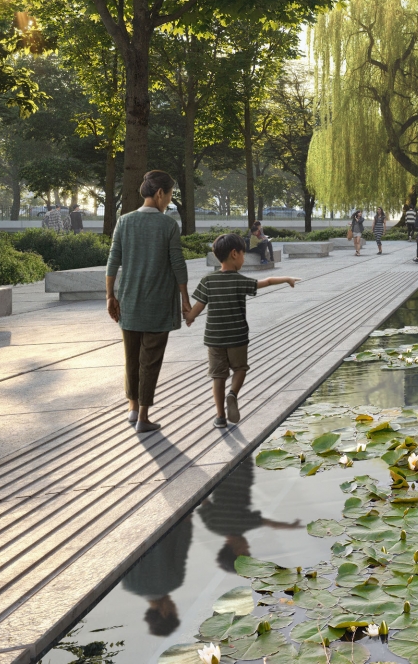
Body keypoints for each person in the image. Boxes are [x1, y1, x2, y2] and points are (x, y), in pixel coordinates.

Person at [107, 170, 191, 434]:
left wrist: (110, 295)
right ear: (159, 194)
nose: (169, 200)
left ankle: (132, 410)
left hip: (129, 303)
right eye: (170, 195)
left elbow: (113, 261)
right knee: (150, 361)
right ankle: (144, 417)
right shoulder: (168, 225)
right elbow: (178, 265)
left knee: (131, 358)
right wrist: (185, 300)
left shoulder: (124, 221)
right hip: (158, 305)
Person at [188, 233, 300, 428]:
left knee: (218, 376)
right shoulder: (240, 281)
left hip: (215, 338)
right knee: (240, 369)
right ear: (234, 254)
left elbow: (198, 306)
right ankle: (233, 394)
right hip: (238, 337)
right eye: (243, 254)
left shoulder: (208, 280)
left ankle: (220, 417)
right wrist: (287, 279)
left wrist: (189, 317)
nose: (243, 258)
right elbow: (267, 281)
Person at [198, 461, 301, 574]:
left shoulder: (244, 524)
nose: (248, 546)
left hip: (242, 469)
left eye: (246, 551)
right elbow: (203, 498)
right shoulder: (213, 526)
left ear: (238, 552)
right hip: (219, 472)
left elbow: (271, 524)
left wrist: (291, 526)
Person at [119, 513, 192, 637]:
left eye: (175, 611)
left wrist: (186, 522)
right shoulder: (129, 585)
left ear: (165, 612)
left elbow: (181, 547)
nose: (175, 607)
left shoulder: (173, 582)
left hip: (164, 521)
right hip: (132, 525)